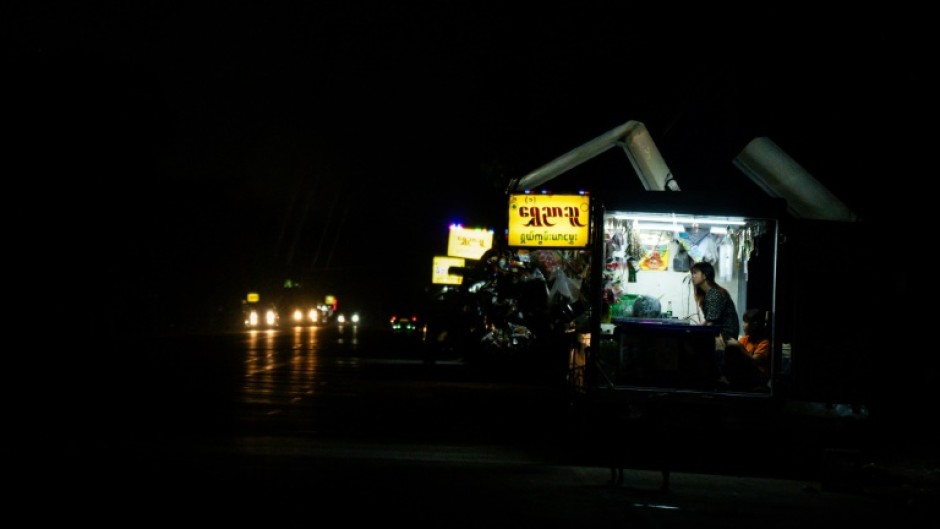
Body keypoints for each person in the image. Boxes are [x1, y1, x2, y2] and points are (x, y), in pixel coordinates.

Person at [690, 261, 739, 343]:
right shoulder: (708, 293)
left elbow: (711, 323)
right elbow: (710, 320)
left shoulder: (714, 293)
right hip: (718, 333)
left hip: (725, 336)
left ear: (704, 275)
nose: (693, 276)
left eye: (695, 273)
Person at [723, 308, 771, 390]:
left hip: (758, 376)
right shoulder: (744, 339)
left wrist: (740, 347)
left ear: (754, 325)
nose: (743, 325)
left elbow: (754, 361)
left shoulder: (764, 342)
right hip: (745, 374)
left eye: (745, 322)